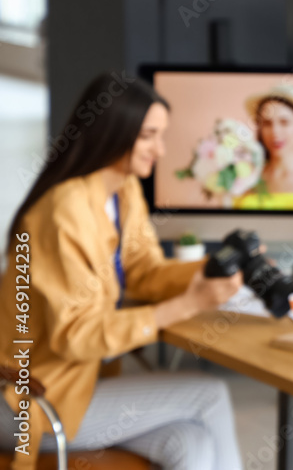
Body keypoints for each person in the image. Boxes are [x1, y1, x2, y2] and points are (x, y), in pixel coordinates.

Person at [0, 72, 244, 469]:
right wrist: (187, 304)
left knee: (190, 443)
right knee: (209, 394)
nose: (160, 150)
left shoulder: (122, 191)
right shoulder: (64, 212)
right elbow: (74, 338)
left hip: (85, 381)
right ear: (113, 132)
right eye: (149, 136)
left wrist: (214, 268)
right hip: (31, 396)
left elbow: (145, 272)